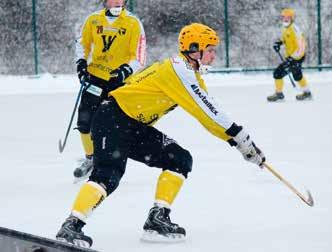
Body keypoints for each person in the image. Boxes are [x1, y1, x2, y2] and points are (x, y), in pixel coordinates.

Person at [56, 23, 265, 248]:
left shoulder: (186, 72)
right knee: (108, 175)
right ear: (195, 50)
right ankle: (72, 225)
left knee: (179, 159)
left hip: (133, 125)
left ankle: (157, 219)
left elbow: (208, 114)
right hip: (112, 118)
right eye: (211, 49)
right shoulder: (180, 71)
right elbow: (210, 113)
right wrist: (242, 140)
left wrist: (237, 141)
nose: (215, 55)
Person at [73, 0, 146, 180]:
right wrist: (81, 64)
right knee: (84, 121)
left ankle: (110, 160)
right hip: (95, 77)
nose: (116, 2)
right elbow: (82, 44)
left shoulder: (133, 23)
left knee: (113, 125)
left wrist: (125, 71)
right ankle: (90, 158)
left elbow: (139, 56)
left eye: (120, 0)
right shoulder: (93, 20)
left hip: (118, 82)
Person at [267, 8, 312, 102]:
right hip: (293, 57)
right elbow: (285, 39)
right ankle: (307, 93)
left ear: (292, 18)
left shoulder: (295, 29)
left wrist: (293, 59)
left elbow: (302, 46)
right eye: (284, 17)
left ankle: (279, 95)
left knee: (277, 73)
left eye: (288, 17)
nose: (285, 19)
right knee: (297, 76)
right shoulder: (286, 28)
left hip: (296, 57)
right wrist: (279, 43)